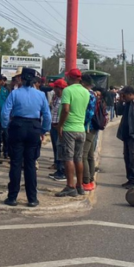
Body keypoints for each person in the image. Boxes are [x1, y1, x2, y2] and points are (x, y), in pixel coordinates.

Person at [1, 67, 51, 207]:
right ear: (34, 80)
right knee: (30, 164)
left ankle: (12, 197)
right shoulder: (40, 95)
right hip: (34, 128)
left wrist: (6, 127)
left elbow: (5, 113)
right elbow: (46, 115)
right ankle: (32, 198)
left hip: (17, 127)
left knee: (16, 164)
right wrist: (43, 130)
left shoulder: (14, 94)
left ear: (21, 79)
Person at [56, 68, 90, 197]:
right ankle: (79, 185)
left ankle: (70, 186)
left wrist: (60, 125)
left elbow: (65, 109)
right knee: (78, 158)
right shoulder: (86, 92)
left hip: (69, 128)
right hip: (81, 129)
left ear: (70, 78)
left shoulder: (67, 90)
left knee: (68, 158)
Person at [81, 80, 101, 192]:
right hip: (94, 127)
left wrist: (83, 124)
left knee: (83, 155)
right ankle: (91, 179)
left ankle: (86, 180)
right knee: (89, 155)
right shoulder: (93, 94)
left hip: (88, 127)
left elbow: (89, 113)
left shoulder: (88, 95)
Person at [47, 79, 67, 181]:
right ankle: (58, 168)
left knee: (61, 149)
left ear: (61, 88)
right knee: (56, 148)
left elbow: (65, 112)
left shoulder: (65, 99)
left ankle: (62, 171)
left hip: (59, 126)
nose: (54, 89)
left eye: (56, 87)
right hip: (53, 125)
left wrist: (60, 125)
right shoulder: (55, 97)